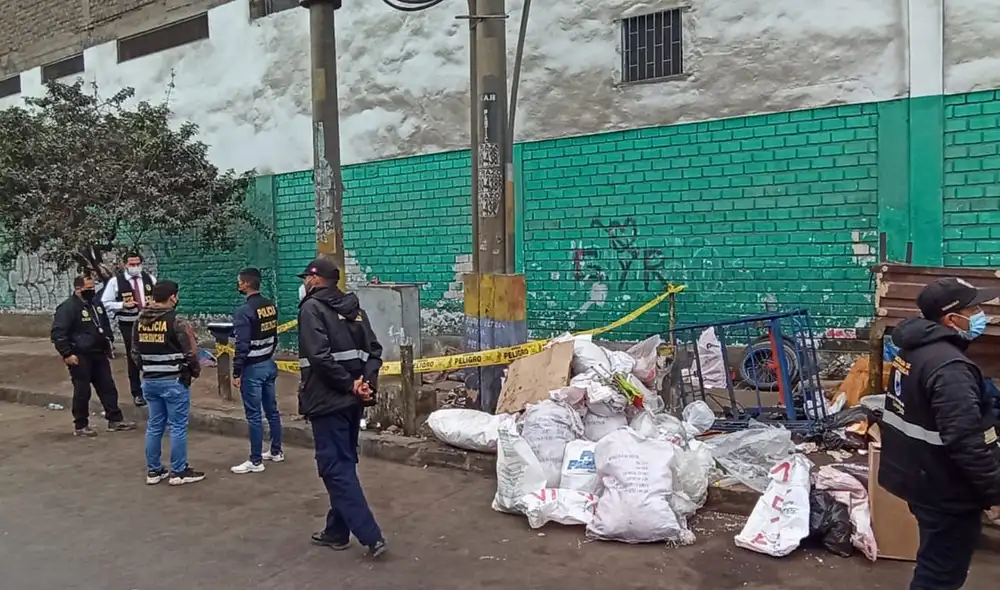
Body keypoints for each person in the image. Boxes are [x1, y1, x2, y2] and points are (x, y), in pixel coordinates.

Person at [879, 277, 1000, 590]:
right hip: (945, 488)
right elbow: (966, 442)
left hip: (919, 477)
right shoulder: (949, 367)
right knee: (940, 575)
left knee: (934, 557)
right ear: (951, 319)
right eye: (974, 308)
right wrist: (994, 493)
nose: (981, 315)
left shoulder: (912, 350)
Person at [297, 258, 387, 558]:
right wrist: (364, 384)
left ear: (315, 279)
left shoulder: (311, 308)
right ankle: (336, 531)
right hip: (352, 402)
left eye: (306, 279)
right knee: (344, 463)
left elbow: (319, 357)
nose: (305, 284)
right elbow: (374, 352)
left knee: (334, 469)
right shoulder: (355, 310)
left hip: (328, 400)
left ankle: (370, 535)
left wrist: (351, 386)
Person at [132, 280, 205, 486]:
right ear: (173, 297)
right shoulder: (177, 322)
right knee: (178, 427)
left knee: (155, 425)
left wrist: (148, 369)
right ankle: (179, 472)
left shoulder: (140, 321)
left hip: (149, 381)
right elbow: (191, 353)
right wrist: (193, 372)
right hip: (173, 381)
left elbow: (135, 353)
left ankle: (154, 471)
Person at [51, 275, 137, 437]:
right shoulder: (68, 308)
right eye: (88, 288)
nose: (92, 291)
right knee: (82, 392)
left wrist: (109, 341)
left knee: (108, 388)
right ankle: (81, 425)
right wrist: (67, 353)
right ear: (78, 289)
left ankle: (115, 420)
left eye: (93, 287)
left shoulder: (96, 304)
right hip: (80, 355)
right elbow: (58, 333)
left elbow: (104, 324)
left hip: (99, 353)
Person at [229, 267, 283, 474]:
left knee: (254, 415)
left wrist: (236, 372)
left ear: (246, 284)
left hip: (253, 368)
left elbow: (242, 345)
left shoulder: (244, 311)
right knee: (272, 410)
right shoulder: (269, 305)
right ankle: (276, 451)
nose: (238, 284)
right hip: (269, 363)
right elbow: (274, 335)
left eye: (239, 281)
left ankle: (255, 460)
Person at [101, 252, 157, 407]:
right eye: (132, 264)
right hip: (128, 324)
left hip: (149, 323)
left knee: (151, 355)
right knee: (133, 356)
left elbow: (158, 298)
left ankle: (151, 390)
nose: (135, 267)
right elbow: (105, 302)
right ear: (125, 265)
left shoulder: (149, 279)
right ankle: (137, 392)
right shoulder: (115, 282)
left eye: (137, 263)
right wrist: (122, 305)